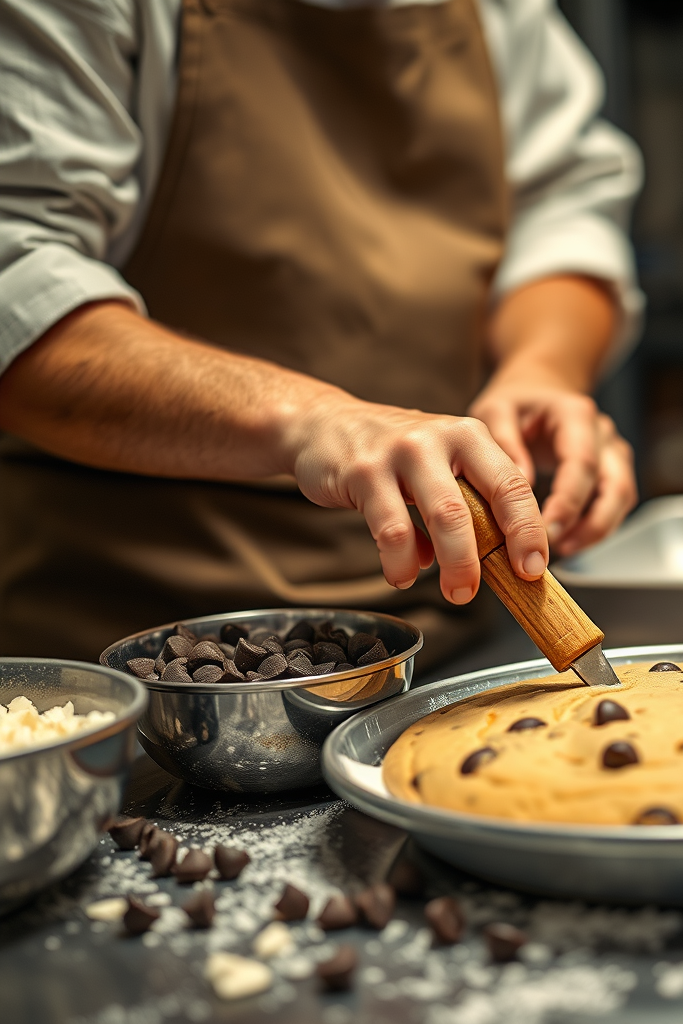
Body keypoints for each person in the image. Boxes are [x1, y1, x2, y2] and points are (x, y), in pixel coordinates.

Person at [0, 0, 643, 664]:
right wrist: (314, 420)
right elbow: (16, 281)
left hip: (441, 633)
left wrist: (541, 368)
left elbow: (564, 207)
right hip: (131, 659)